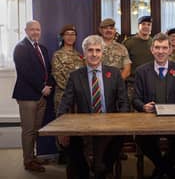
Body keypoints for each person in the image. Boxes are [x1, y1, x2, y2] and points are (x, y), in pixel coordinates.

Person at [57, 35, 130, 179]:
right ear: (84, 53)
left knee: (119, 139)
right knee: (72, 144)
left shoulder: (114, 74)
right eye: (90, 50)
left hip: (110, 122)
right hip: (84, 124)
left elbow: (123, 102)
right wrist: (61, 128)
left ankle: (103, 168)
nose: (94, 54)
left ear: (103, 53)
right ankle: (85, 171)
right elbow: (65, 102)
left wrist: (122, 121)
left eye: (98, 50)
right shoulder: (75, 76)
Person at [133, 33, 175, 179]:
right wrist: (143, 106)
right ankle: (168, 169)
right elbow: (135, 99)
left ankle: (160, 170)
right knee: (141, 139)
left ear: (170, 50)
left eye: (164, 48)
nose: (161, 51)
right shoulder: (141, 71)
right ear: (152, 50)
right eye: (157, 48)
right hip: (149, 120)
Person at [12, 20, 54, 172]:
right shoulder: (20, 48)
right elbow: (25, 72)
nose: (35, 32)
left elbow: (48, 69)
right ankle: (28, 161)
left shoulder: (42, 48)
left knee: (36, 129)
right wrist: (42, 88)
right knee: (28, 130)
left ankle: (33, 156)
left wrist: (48, 85)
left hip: (42, 96)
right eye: (32, 29)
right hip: (27, 96)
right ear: (26, 31)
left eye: (38, 29)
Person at [52, 24, 84, 113]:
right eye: (67, 34)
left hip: (78, 97)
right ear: (62, 37)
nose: (70, 37)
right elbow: (57, 76)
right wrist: (73, 89)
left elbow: (83, 75)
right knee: (62, 124)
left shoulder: (79, 55)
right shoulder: (57, 55)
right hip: (63, 96)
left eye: (73, 34)